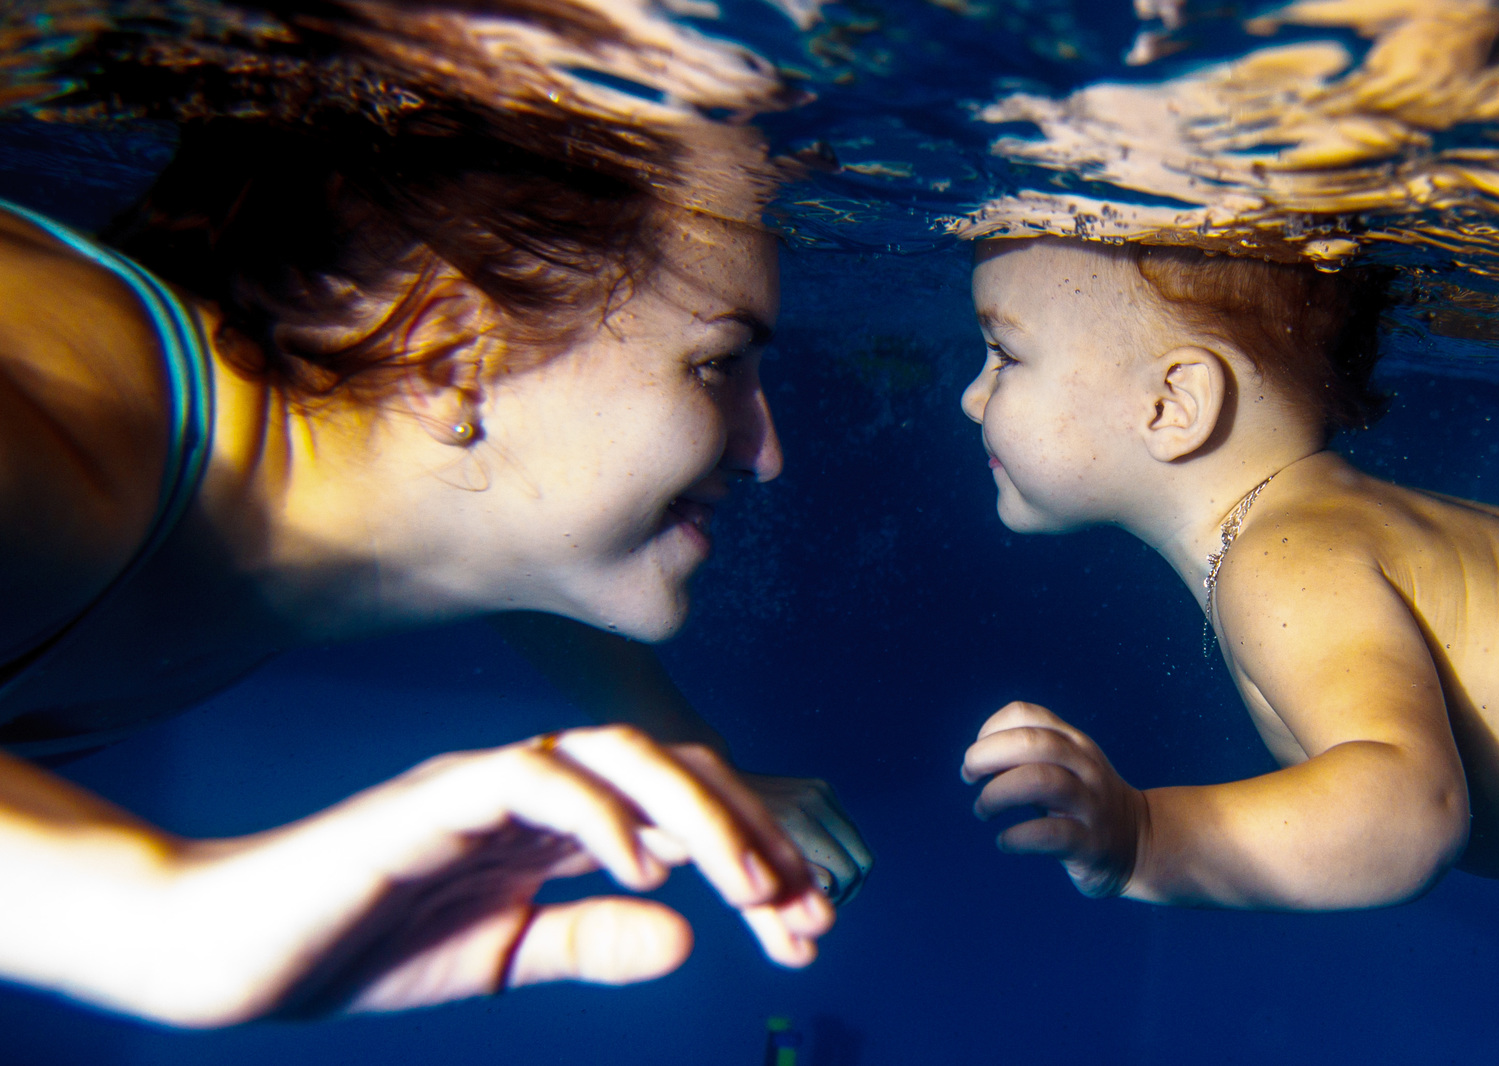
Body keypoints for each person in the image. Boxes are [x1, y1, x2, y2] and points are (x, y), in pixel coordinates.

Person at [0, 5, 869, 1025]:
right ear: (454, 352)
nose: (766, 453)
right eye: (717, 363)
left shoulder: (339, 483)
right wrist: (161, 919)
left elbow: (522, 541)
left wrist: (689, 748)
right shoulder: (71, 422)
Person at [956, 234, 1499, 909]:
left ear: (1173, 404)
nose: (973, 397)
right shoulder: (1319, 521)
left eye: (1005, 354)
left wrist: (1147, 840)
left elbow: (1414, 812)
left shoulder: (1280, 561)